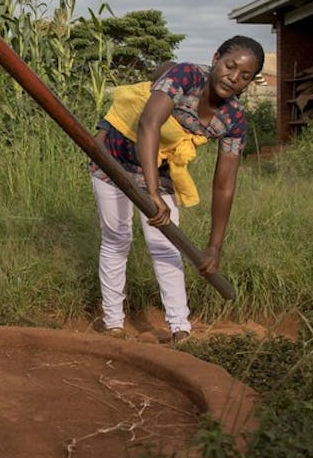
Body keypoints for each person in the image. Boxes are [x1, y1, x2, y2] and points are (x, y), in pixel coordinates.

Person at [90, 35, 264, 343]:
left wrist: (214, 246)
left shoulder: (234, 119)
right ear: (215, 59)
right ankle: (113, 322)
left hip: (161, 169)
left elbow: (224, 184)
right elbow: (148, 124)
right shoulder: (186, 76)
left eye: (245, 76)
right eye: (230, 66)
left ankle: (179, 327)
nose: (234, 77)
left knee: (166, 244)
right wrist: (152, 194)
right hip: (114, 159)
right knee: (117, 238)